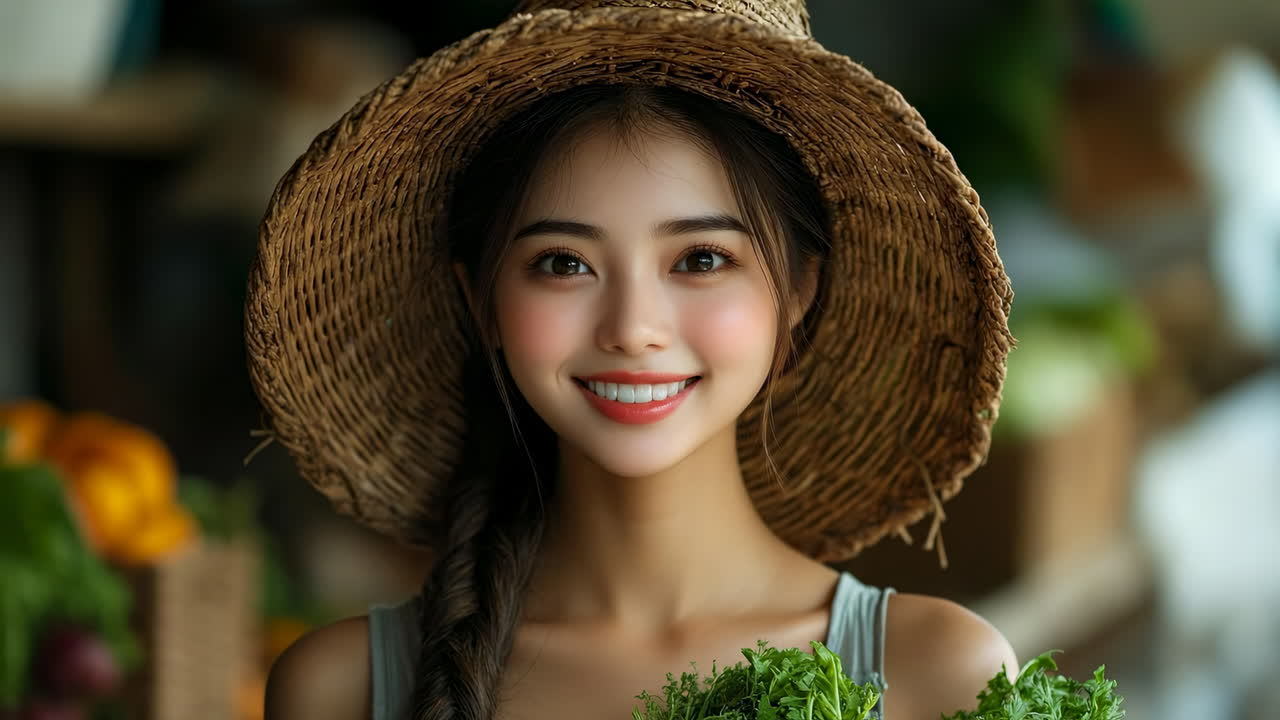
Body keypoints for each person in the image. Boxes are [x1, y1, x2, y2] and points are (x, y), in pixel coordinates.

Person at [248, 2, 1018, 719]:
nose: (633, 328)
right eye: (562, 263)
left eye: (703, 258)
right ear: (481, 302)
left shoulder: (937, 674)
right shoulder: (342, 687)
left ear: (798, 293)